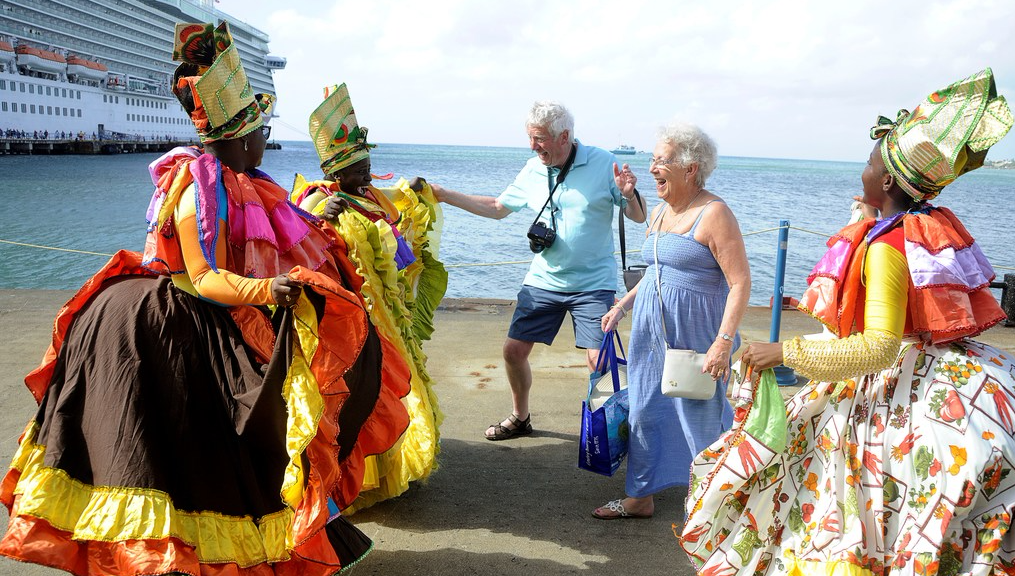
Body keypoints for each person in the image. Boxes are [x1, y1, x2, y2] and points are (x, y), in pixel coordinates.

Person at [0, 22, 411, 576]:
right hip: (178, 321)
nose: (266, 140)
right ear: (240, 140)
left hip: (220, 313)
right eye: (261, 131)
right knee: (194, 454)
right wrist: (269, 289)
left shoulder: (249, 182)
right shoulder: (200, 189)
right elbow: (203, 276)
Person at [678, 68, 1015, 575]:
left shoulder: (886, 244)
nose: (861, 168)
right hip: (953, 370)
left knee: (838, 497)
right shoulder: (923, 228)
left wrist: (784, 352)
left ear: (885, 181)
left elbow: (880, 347)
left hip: (898, 384)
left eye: (868, 161)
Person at [431, 100, 647, 440]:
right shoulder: (533, 168)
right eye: (530, 138)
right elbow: (498, 208)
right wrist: (443, 195)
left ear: (564, 136)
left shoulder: (604, 162)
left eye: (539, 138)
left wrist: (629, 194)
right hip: (544, 279)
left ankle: (609, 433)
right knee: (513, 351)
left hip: (593, 282)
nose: (533, 146)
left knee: (598, 360)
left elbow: (637, 216)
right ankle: (520, 417)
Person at [291, 83, 448, 512]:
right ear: (335, 171)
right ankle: (350, 479)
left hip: (387, 313)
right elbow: (293, 239)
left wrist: (416, 190)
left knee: (398, 386)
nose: (366, 173)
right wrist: (314, 218)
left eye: (367, 164)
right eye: (358, 168)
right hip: (348, 320)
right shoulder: (316, 199)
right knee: (357, 395)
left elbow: (401, 224)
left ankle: (395, 467)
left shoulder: (369, 197)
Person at [593, 122, 750, 519]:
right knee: (646, 412)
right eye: (652, 160)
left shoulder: (715, 213)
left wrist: (723, 341)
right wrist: (623, 306)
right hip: (651, 335)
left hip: (697, 335)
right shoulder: (661, 211)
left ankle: (713, 502)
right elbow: (656, 272)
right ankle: (640, 497)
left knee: (699, 415)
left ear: (690, 168)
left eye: (660, 161)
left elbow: (739, 282)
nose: (651, 169)